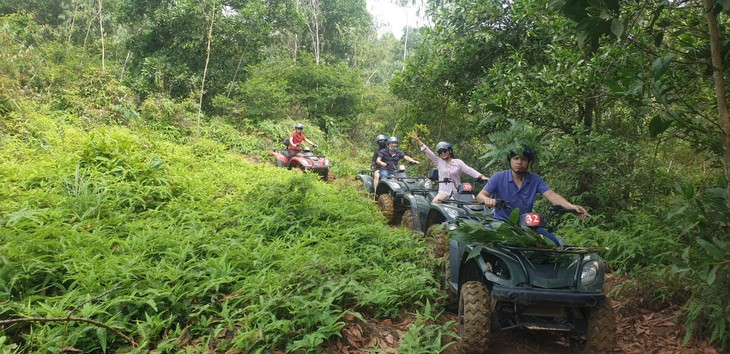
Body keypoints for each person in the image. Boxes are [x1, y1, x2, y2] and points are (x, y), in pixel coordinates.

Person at [475, 145, 587, 245]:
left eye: (523, 159)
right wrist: (487, 200)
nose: (519, 162)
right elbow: (480, 196)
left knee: (554, 244)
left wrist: (571, 206)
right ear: (510, 161)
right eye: (516, 158)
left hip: (527, 225)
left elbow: (551, 195)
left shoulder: (535, 179)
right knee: (483, 243)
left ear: (528, 162)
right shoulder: (498, 177)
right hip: (500, 223)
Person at [412, 132, 488, 203]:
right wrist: (418, 140)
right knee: (434, 204)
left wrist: (481, 176)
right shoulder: (439, 161)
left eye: (444, 151)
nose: (443, 153)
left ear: (449, 151)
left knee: (471, 204)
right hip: (444, 192)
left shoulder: (458, 162)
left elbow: (469, 170)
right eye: (440, 152)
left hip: (458, 192)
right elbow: (428, 151)